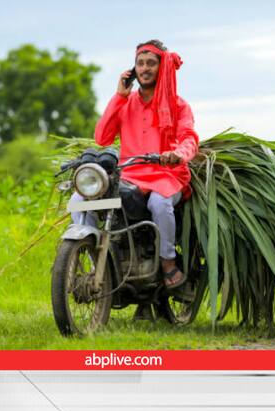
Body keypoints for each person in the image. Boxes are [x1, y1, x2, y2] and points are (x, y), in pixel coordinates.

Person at [71, 39, 199, 289]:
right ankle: (97, 261)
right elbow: (102, 138)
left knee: (159, 203)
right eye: (140, 63)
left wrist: (177, 154)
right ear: (133, 69)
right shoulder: (125, 102)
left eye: (151, 63)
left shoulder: (179, 105)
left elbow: (189, 139)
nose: (144, 68)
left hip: (166, 175)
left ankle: (168, 262)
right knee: (78, 200)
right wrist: (119, 95)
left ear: (162, 68)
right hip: (129, 175)